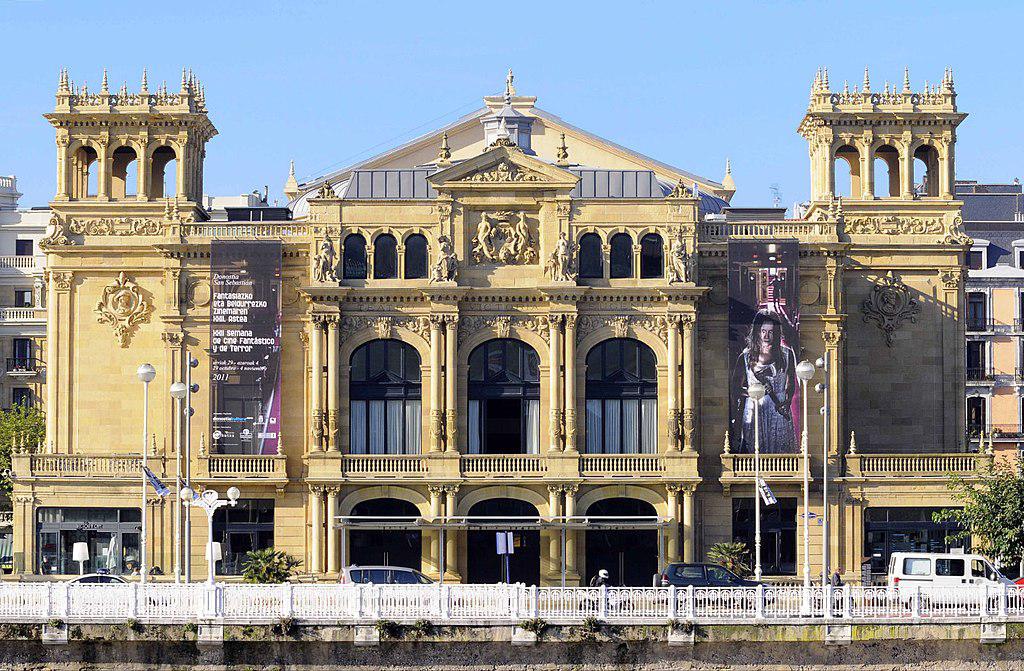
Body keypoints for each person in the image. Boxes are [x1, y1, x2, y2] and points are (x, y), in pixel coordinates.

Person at [729, 310, 798, 454]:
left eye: (771, 332)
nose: (767, 336)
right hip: (754, 409)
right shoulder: (746, 357)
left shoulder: (787, 354)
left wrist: (787, 401)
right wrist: (753, 392)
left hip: (778, 410)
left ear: (777, 333)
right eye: (763, 331)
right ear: (757, 332)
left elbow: (791, 383)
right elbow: (735, 388)